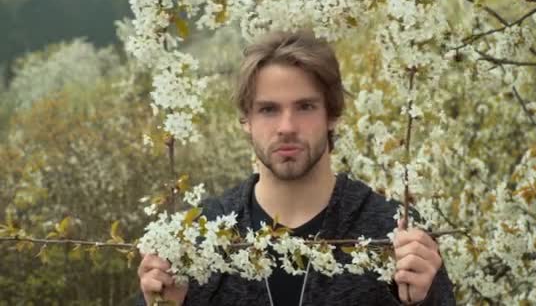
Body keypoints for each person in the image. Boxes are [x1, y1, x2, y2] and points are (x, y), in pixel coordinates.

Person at [137, 30, 455, 305]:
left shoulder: (394, 231)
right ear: (246, 120)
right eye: (269, 109)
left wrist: (422, 302)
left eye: (305, 107)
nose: (287, 126)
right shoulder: (197, 237)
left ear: (332, 114)